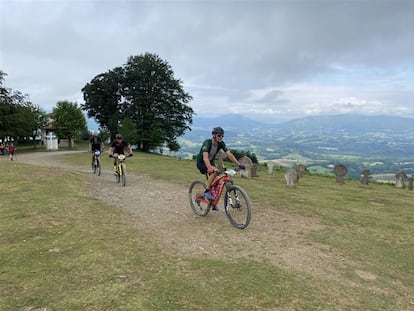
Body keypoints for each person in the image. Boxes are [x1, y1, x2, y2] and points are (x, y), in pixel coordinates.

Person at [196, 127, 245, 211]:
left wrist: (238, 164)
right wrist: (209, 167)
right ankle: (207, 192)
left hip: (210, 162)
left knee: (218, 179)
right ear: (214, 135)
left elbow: (229, 154)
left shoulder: (221, 143)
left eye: (222, 136)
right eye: (219, 136)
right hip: (202, 163)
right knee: (215, 172)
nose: (221, 137)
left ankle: (212, 200)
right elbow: (205, 158)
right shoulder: (207, 143)